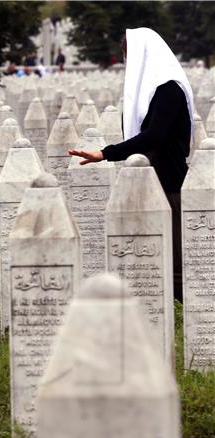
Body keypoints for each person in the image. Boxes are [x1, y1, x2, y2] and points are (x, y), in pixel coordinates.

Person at [69, 28, 195, 302]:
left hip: (169, 183)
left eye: (129, 55)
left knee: (175, 264)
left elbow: (153, 136)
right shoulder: (153, 91)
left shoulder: (168, 89)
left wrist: (105, 153)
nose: (128, 63)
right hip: (149, 180)